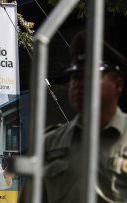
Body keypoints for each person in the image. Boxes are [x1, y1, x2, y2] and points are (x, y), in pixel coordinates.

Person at [43, 31, 127, 203]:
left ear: (117, 84)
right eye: (74, 77)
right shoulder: (50, 143)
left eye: (88, 76)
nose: (78, 84)